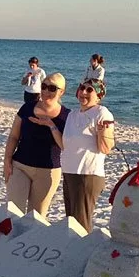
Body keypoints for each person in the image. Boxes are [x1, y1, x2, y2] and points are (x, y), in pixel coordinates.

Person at [3, 73, 69, 216]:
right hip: (19, 166)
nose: (46, 91)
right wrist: (7, 160)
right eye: (44, 86)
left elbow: (65, 146)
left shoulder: (67, 116)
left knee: (36, 217)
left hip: (48, 171)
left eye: (52, 88)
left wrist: (51, 125)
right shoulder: (27, 108)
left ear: (61, 92)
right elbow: (14, 136)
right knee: (13, 212)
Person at [60, 78, 115, 232]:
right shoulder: (72, 114)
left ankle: (80, 255)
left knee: (80, 225)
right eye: (82, 88)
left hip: (87, 174)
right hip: (70, 172)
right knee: (70, 222)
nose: (83, 92)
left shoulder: (101, 113)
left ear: (99, 95)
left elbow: (106, 148)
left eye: (89, 90)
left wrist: (103, 131)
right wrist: (51, 126)